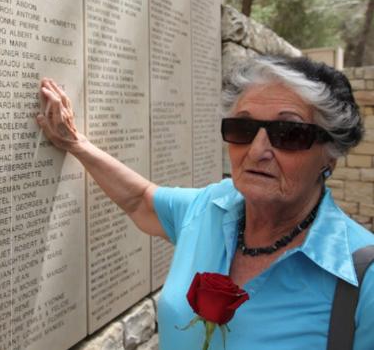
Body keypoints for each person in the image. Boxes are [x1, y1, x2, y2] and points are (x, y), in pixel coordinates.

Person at [36, 55, 374, 350]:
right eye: (243, 128)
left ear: (330, 157)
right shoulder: (212, 207)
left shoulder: (363, 277)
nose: (257, 151)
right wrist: (76, 143)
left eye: (288, 133)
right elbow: (140, 200)